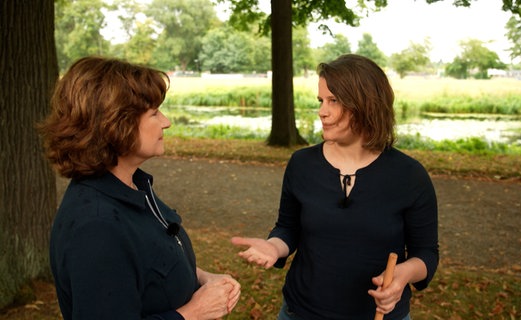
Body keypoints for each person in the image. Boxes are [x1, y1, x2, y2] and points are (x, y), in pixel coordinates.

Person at [231, 54, 438, 320]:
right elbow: (288, 228)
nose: (322, 111)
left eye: (334, 101)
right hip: (301, 313)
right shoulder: (302, 164)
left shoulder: (409, 175)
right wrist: (274, 246)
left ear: (366, 104)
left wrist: (403, 275)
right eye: (321, 100)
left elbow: (426, 253)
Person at [38, 56, 240, 320]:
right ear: (115, 124)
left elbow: (147, 264)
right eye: (154, 113)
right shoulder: (96, 226)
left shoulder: (131, 187)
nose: (166, 121)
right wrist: (193, 313)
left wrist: (202, 278)